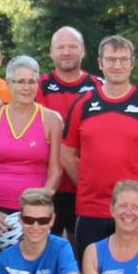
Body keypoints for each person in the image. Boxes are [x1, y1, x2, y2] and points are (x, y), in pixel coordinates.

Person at [61, 35, 138, 251]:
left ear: (132, 63)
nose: (117, 65)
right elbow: (66, 154)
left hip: (134, 211)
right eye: (111, 59)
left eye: (123, 59)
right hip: (91, 210)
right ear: (100, 63)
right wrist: (86, 185)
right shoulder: (83, 104)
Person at [0, 55, 63, 240]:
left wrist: (39, 209)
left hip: (35, 212)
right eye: (20, 81)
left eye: (31, 82)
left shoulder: (51, 119)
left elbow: (55, 171)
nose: (26, 87)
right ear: (8, 83)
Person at [39, 26, 99, 216]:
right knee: (45, 242)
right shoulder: (38, 86)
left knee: (82, 244)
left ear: (83, 50)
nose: (66, 52)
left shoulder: (98, 88)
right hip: (46, 184)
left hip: (85, 186)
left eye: (72, 47)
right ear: (51, 52)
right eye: (60, 47)